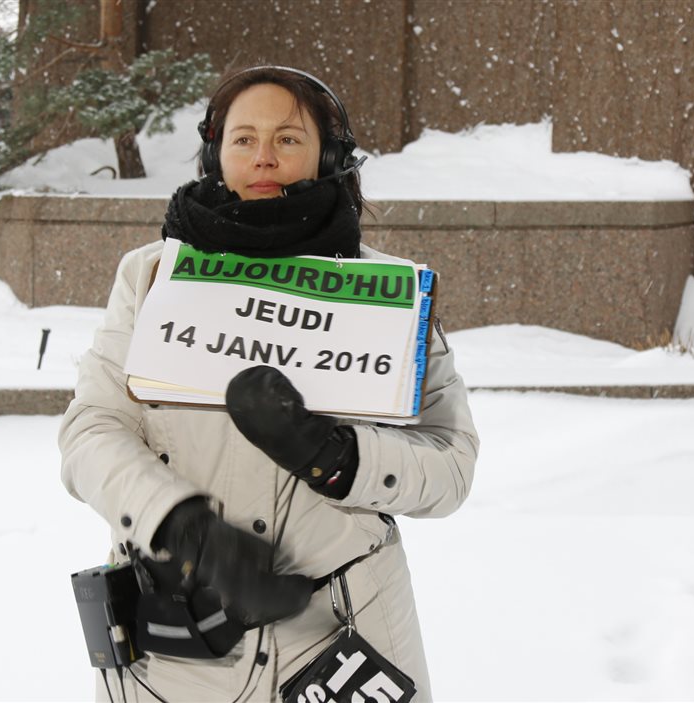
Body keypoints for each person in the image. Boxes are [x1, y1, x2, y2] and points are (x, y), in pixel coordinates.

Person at [59, 66, 478, 701]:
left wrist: (338, 458)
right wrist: (181, 527)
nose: (264, 157)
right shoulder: (150, 278)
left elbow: (451, 467)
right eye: (243, 138)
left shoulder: (391, 296)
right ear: (214, 153)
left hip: (345, 635)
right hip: (173, 648)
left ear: (328, 156)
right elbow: (91, 431)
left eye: (287, 138)